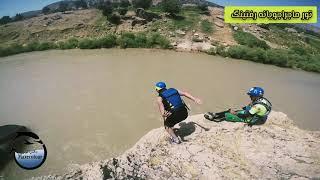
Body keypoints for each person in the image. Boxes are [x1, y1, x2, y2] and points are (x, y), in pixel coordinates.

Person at [204, 87, 272, 126]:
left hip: (250, 119)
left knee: (227, 115)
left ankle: (213, 118)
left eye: (251, 95)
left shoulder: (257, 106)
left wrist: (234, 113)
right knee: (230, 110)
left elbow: (246, 115)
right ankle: (215, 114)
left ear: (256, 96)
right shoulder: (262, 100)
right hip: (256, 116)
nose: (250, 96)